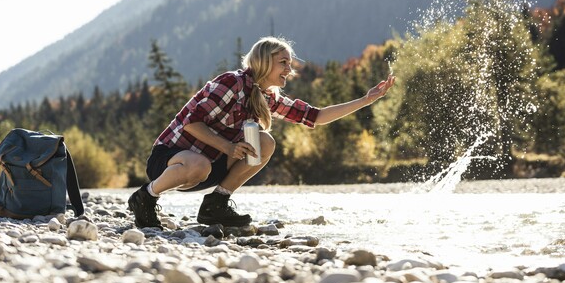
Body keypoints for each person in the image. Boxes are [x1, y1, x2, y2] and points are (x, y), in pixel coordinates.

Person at [128, 36, 395, 229]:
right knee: (199, 163)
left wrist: (365, 100)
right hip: (170, 161)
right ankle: (146, 197)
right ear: (264, 63)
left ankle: (216, 205)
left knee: (264, 143)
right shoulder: (231, 82)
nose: (289, 70)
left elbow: (316, 116)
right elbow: (191, 124)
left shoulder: (267, 97)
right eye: (284, 63)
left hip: (206, 168)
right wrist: (229, 148)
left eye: (290, 64)